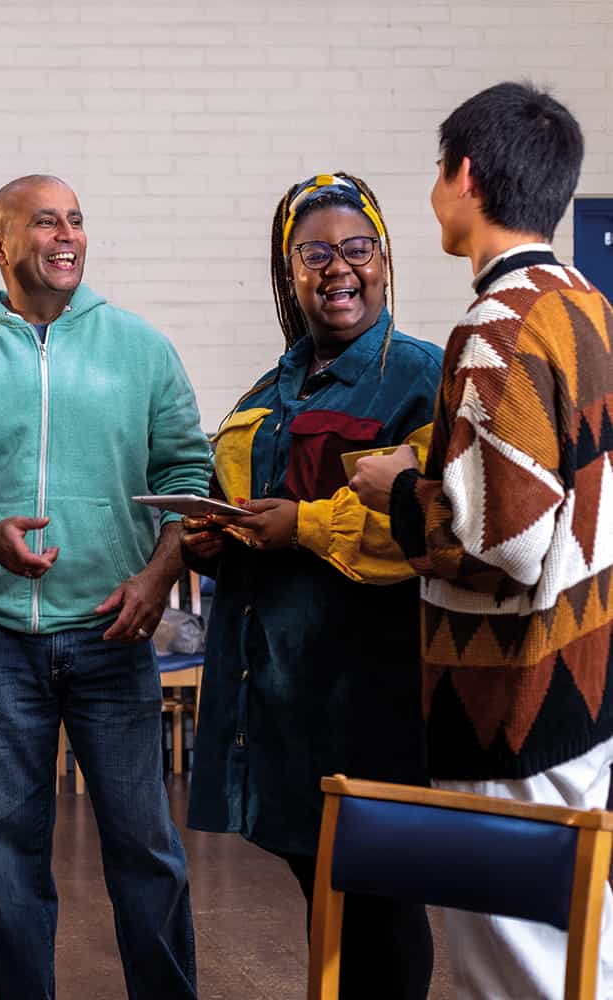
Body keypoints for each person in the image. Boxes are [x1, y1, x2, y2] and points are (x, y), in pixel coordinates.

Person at [0, 175, 205, 999]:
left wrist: (158, 578)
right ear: (0, 245)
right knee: (5, 858)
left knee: (146, 850)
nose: (66, 235)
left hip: (114, 632)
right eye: (43, 222)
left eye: (75, 220)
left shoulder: (140, 348)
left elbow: (189, 476)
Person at [351, 82, 613, 999]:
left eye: (437, 167)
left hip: (510, 694)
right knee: (576, 947)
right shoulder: (586, 305)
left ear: (465, 175)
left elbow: (500, 541)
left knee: (514, 974)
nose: (433, 188)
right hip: (582, 679)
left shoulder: (497, 325)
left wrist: (399, 489)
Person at [181, 173, 441, 997]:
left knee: (381, 901)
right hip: (277, 701)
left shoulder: (424, 380)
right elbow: (241, 508)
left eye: (357, 248)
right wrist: (210, 539)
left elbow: (428, 530)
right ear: (287, 273)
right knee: (323, 889)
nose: (339, 269)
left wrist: (303, 524)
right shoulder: (263, 397)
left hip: (374, 696)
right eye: (315, 254)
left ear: (386, 259)